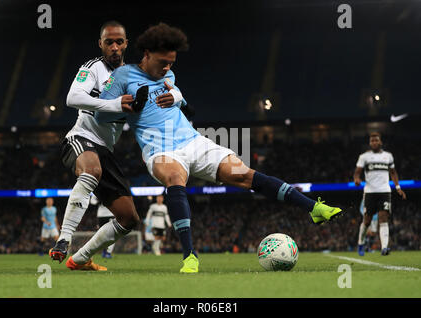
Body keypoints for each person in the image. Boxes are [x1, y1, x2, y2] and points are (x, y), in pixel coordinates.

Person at [95, 23, 344, 273]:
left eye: (172, 62)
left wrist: (178, 98)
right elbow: (100, 117)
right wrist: (123, 105)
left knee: (245, 175)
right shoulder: (122, 77)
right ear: (147, 54)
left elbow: (186, 107)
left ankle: (314, 208)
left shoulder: (168, 76)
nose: (168, 67)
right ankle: (189, 256)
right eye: (163, 62)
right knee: (174, 177)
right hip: (160, 150)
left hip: (193, 141)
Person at [48, 21, 144, 271]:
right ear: (100, 44)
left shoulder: (133, 77)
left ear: (126, 44)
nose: (114, 47)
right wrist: (115, 105)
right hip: (81, 138)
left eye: (119, 42)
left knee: (128, 218)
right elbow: (73, 98)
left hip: (106, 151)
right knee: (91, 170)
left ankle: (80, 259)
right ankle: (64, 239)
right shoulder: (92, 68)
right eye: (109, 42)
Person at [354, 132, 407, 256]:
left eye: (376, 140)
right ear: (369, 143)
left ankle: (384, 247)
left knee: (383, 218)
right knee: (367, 221)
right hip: (370, 192)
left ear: (380, 142)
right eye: (372, 141)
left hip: (385, 191)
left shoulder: (388, 156)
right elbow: (357, 172)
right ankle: (361, 243)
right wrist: (356, 179)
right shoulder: (364, 157)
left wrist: (398, 187)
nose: (374, 142)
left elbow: (393, 173)